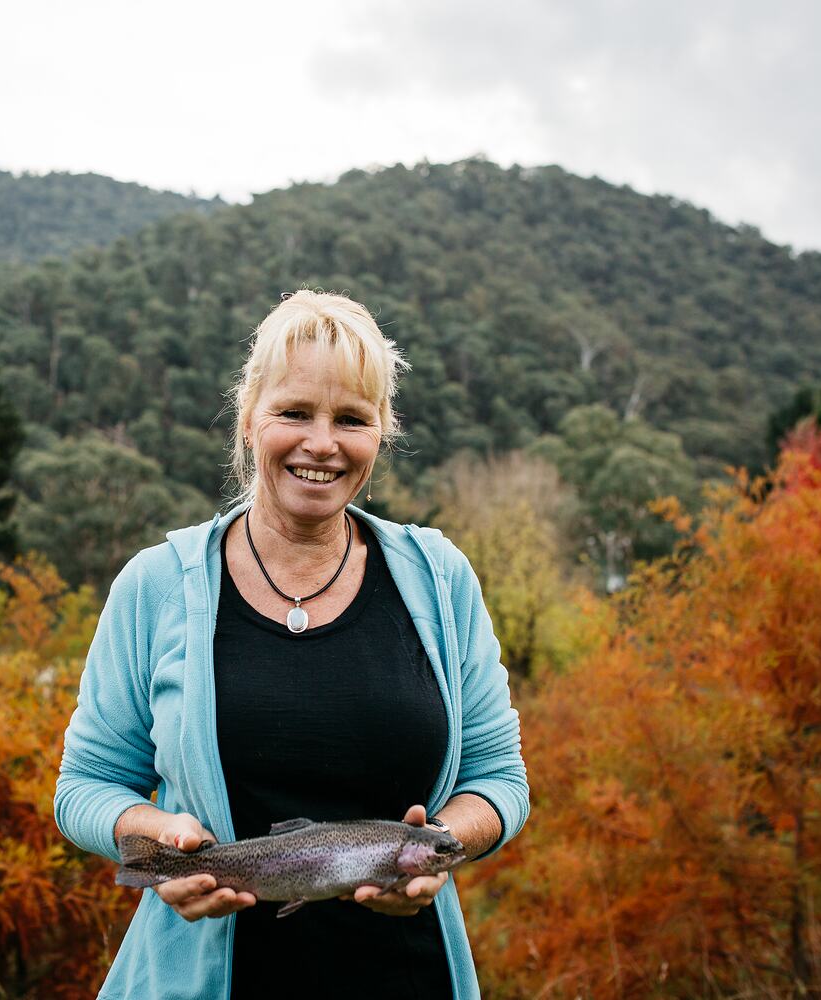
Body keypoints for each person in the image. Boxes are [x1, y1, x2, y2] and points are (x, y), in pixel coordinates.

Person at [54, 290, 529, 999]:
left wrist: (439, 847)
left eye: (351, 419)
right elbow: (85, 785)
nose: (322, 443)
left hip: (409, 980)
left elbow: (500, 780)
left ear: (381, 433)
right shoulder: (155, 586)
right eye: (295, 412)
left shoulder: (439, 578)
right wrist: (159, 835)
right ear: (250, 419)